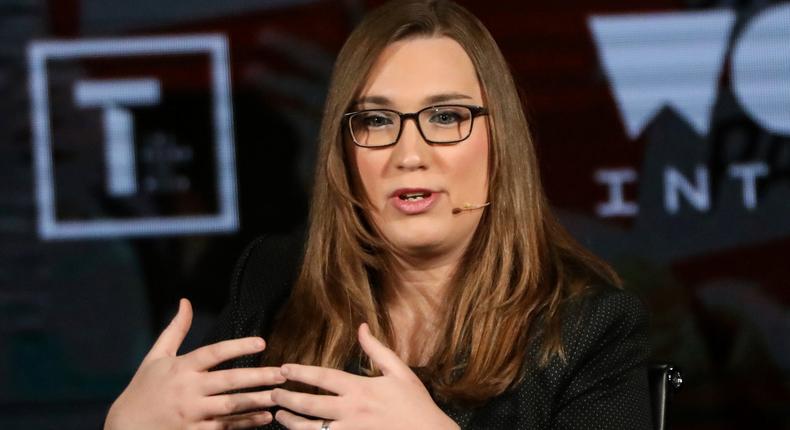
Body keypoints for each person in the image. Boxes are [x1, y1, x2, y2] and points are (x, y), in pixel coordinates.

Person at [104, 0, 653, 429]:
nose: (409, 154)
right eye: (374, 121)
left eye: (444, 116)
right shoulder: (275, 283)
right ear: (343, 150)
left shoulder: (590, 328)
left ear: (499, 141)